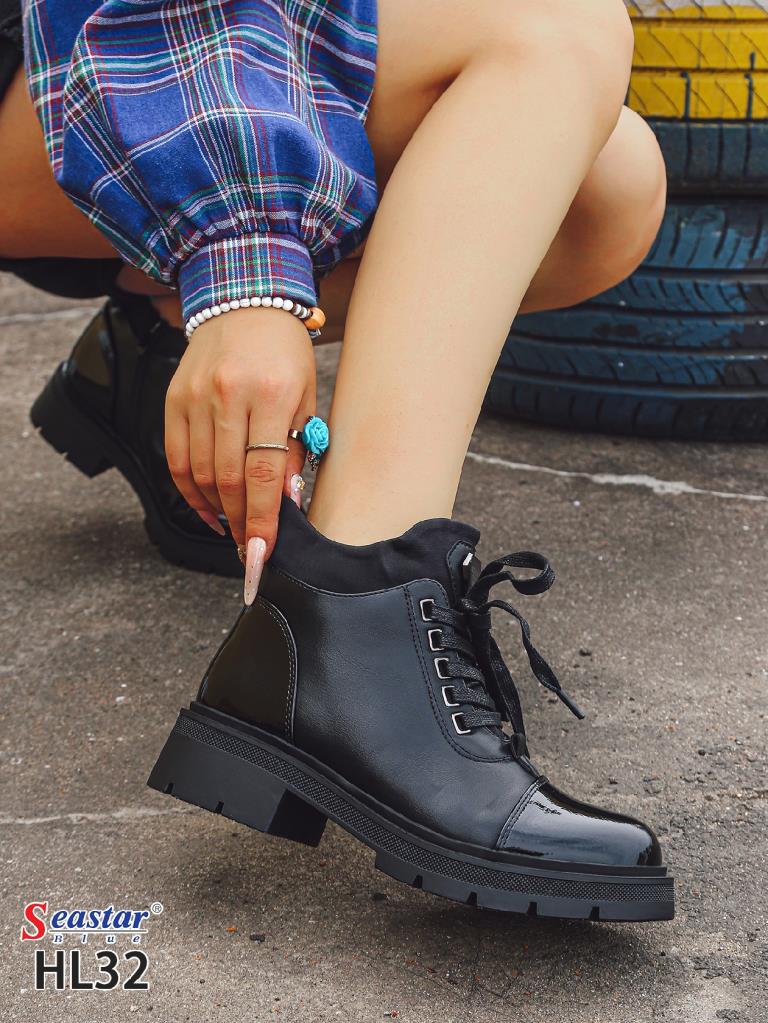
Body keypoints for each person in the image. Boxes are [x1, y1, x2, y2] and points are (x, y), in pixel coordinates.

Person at [4, 0, 674, 920]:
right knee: (551, 30)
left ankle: (154, 355)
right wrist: (242, 259)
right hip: (100, 46)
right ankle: (351, 605)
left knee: (608, 187)